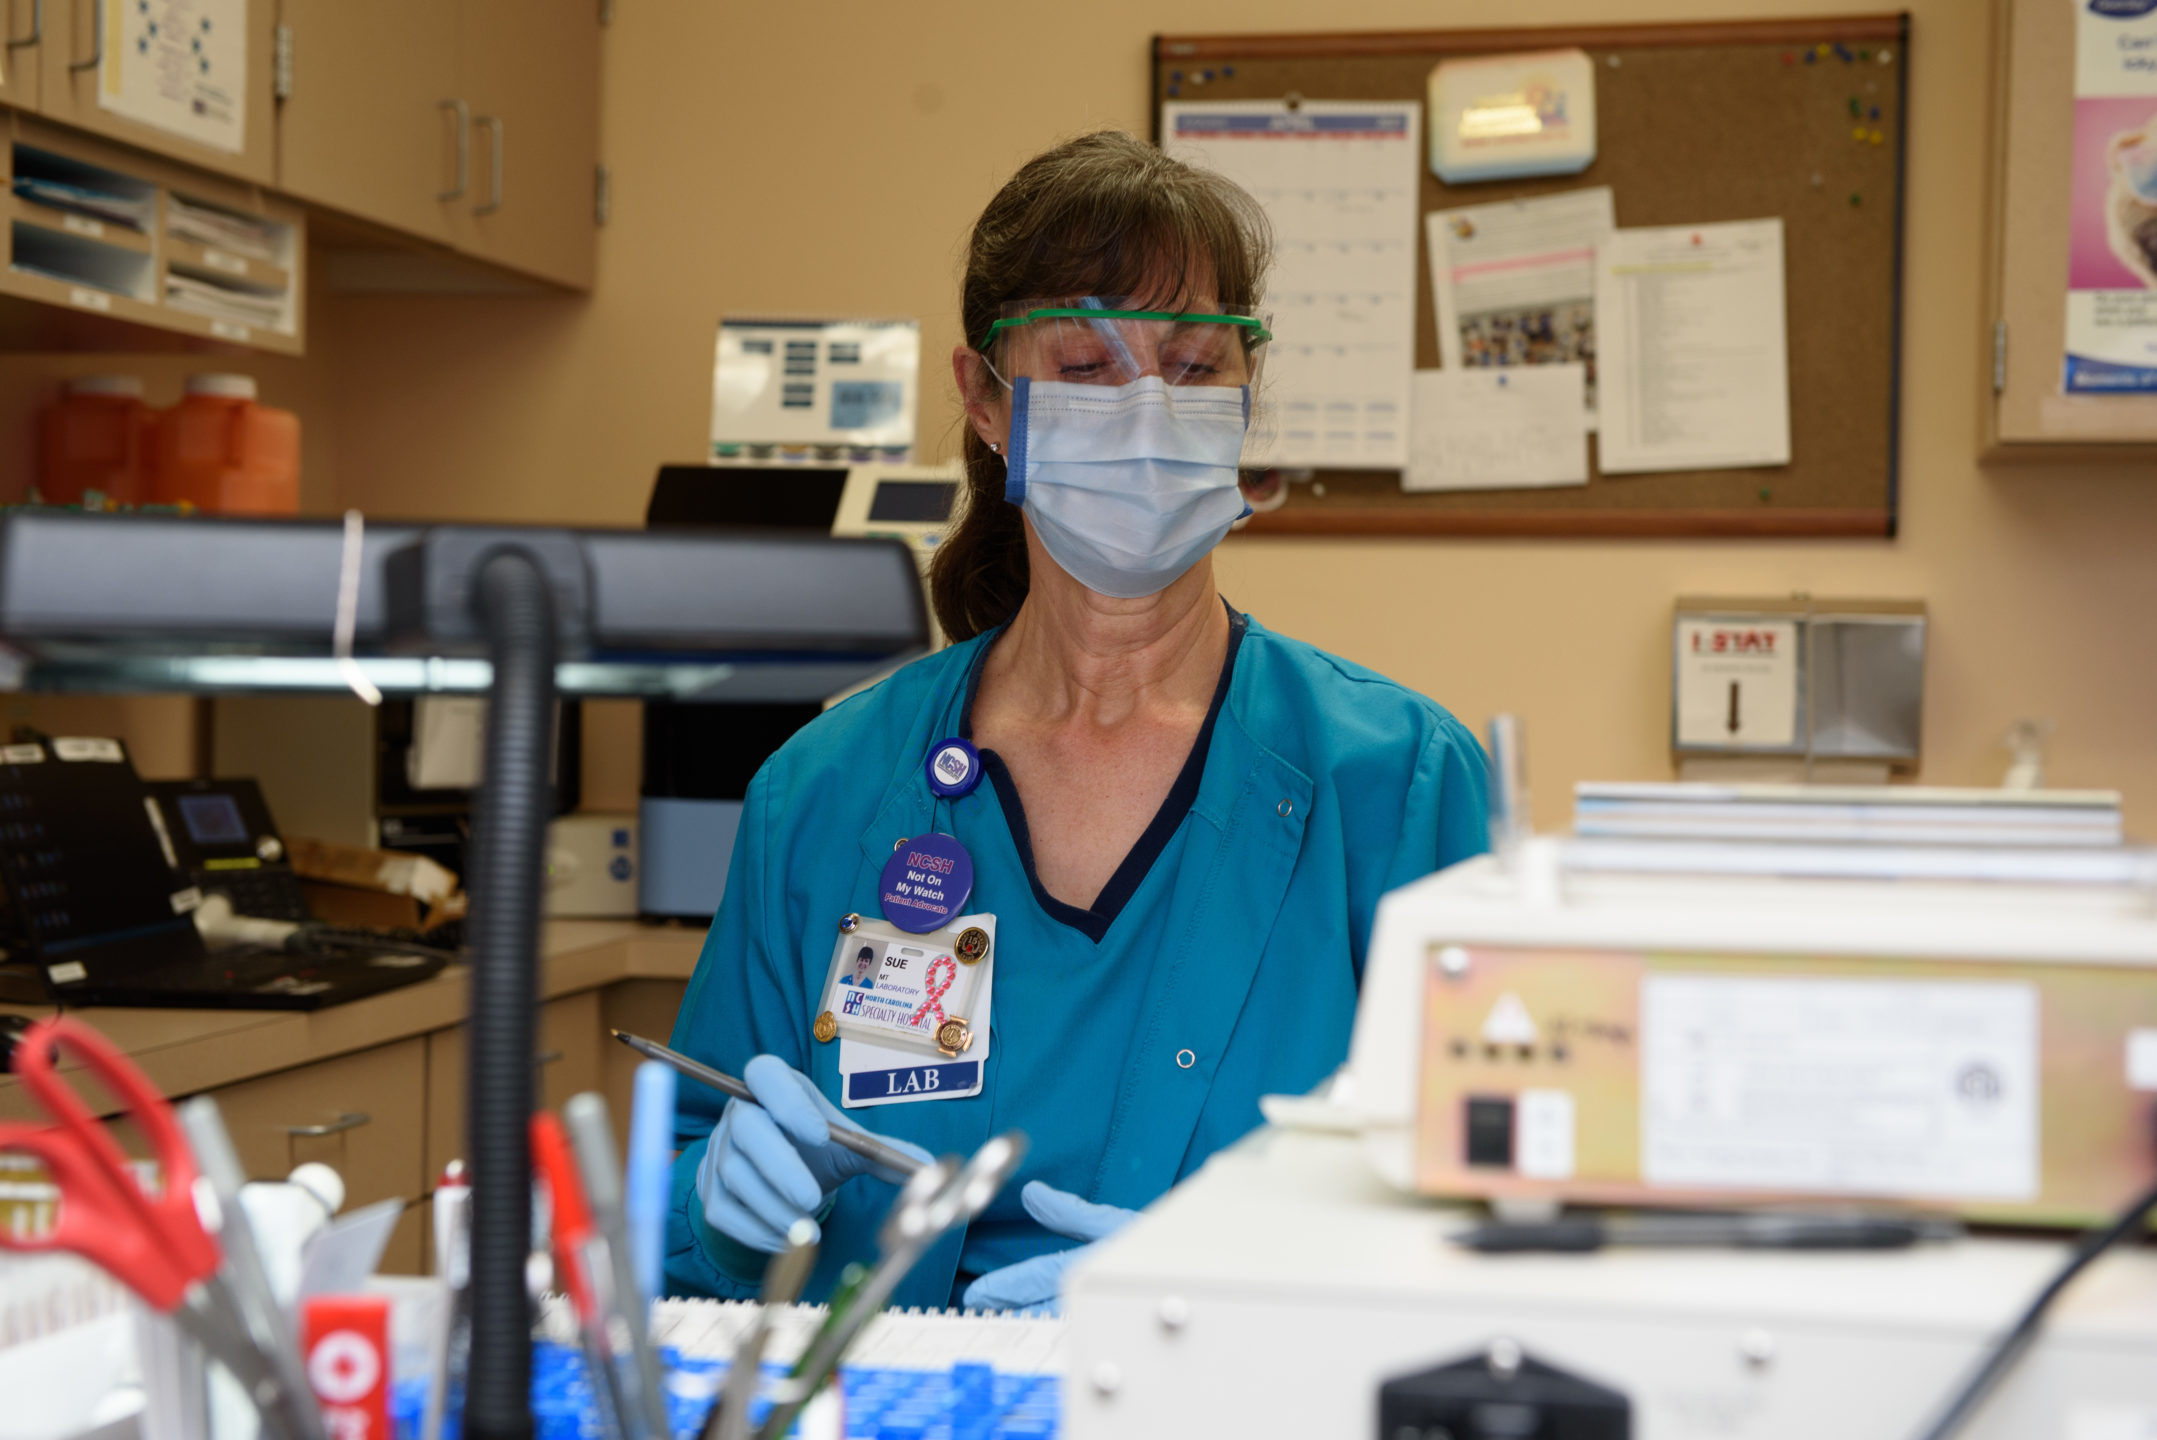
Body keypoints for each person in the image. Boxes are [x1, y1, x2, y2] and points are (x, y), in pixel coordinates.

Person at [665, 130, 1489, 1314]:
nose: (1148, 409)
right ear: (986, 400)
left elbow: (1498, 1210)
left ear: (1245, 399)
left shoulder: (1401, 787)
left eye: (1197, 366)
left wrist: (1245, 1286)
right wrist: (711, 1207)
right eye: (1086, 366)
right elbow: (675, 1183)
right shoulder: (826, 794)